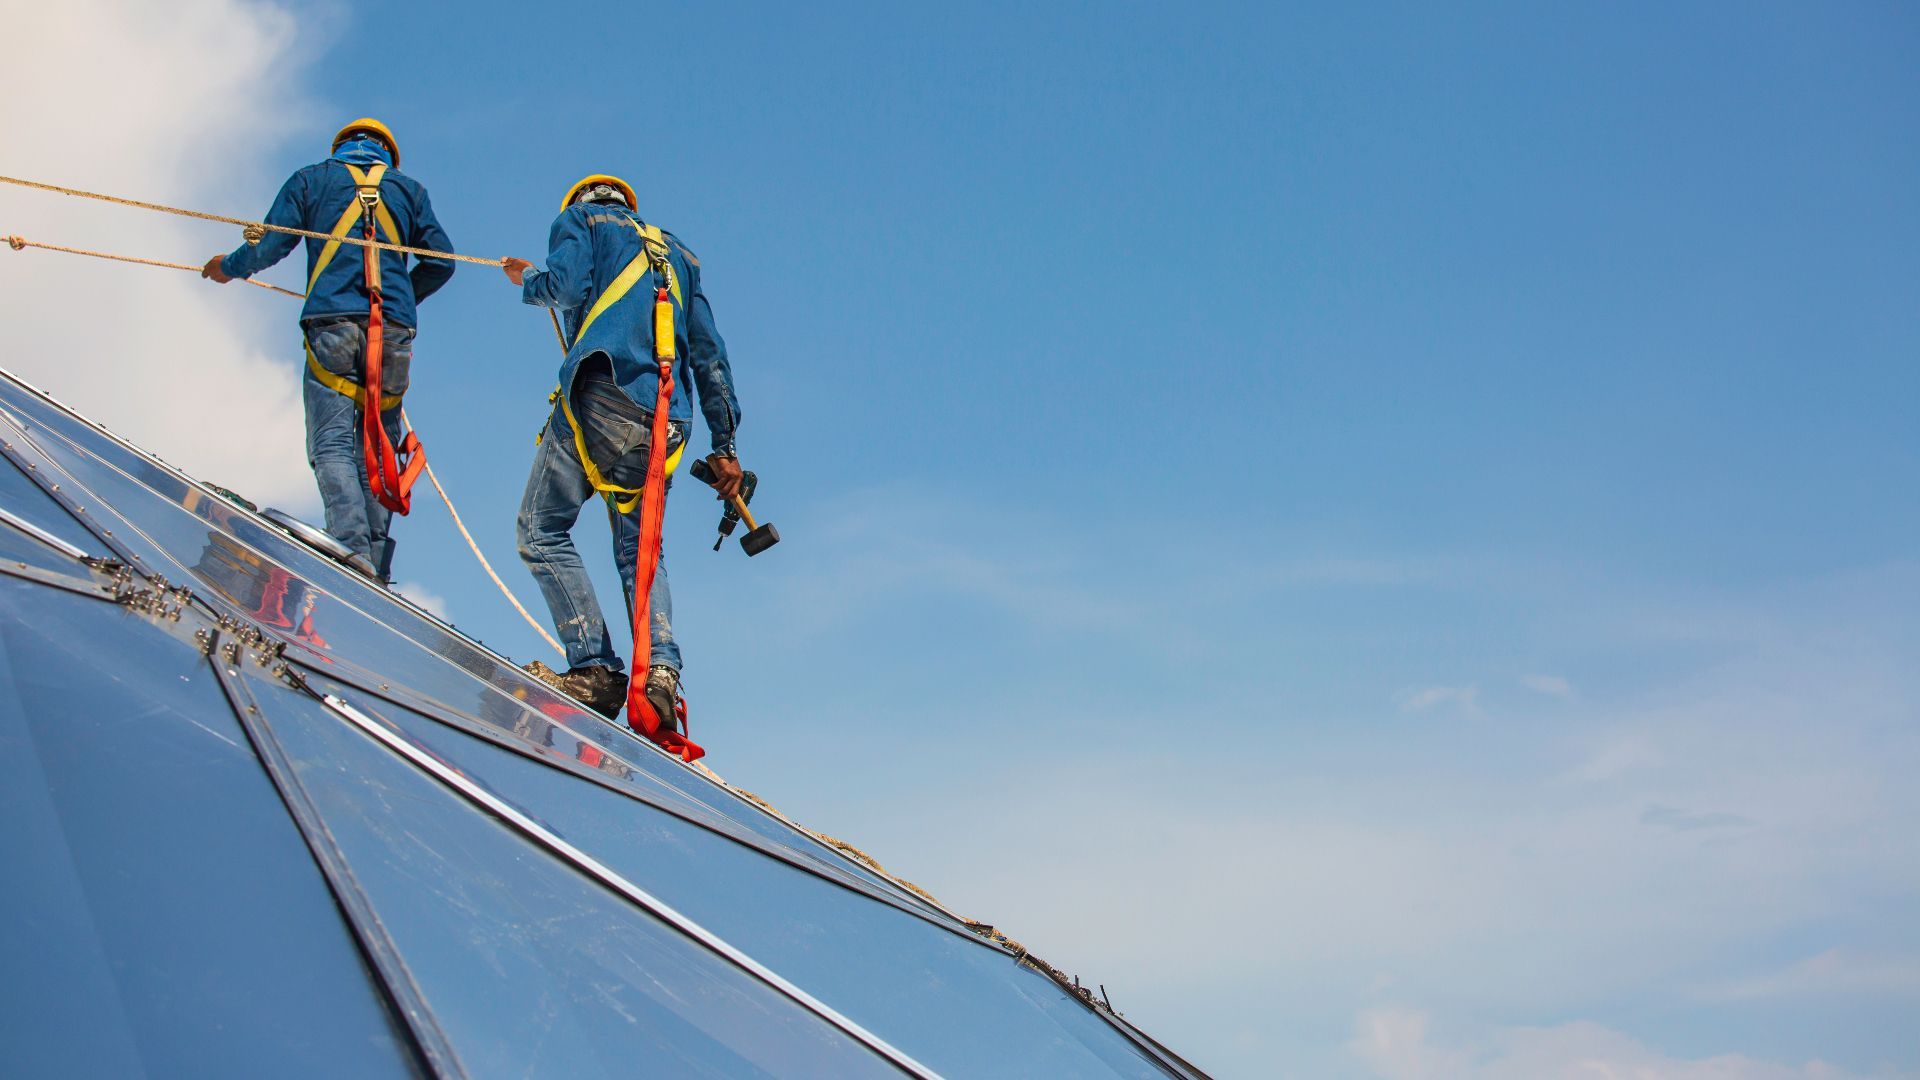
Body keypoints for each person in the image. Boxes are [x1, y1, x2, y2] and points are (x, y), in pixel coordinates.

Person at [503, 174, 743, 733]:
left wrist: (527, 281)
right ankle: (660, 673)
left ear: (581, 200)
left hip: (603, 397)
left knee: (540, 529)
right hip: (667, 422)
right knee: (642, 549)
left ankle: (595, 667)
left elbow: (564, 285)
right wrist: (725, 444)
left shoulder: (580, 222)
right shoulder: (679, 255)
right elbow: (710, 356)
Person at [202, 118, 454, 581]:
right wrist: (401, 299)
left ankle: (349, 550)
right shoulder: (409, 191)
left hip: (333, 323)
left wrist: (229, 267)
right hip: (393, 333)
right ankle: (374, 565)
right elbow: (441, 262)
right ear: (387, 155)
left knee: (332, 442)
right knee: (376, 448)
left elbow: (272, 244)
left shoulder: (312, 179)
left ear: (341, 146)